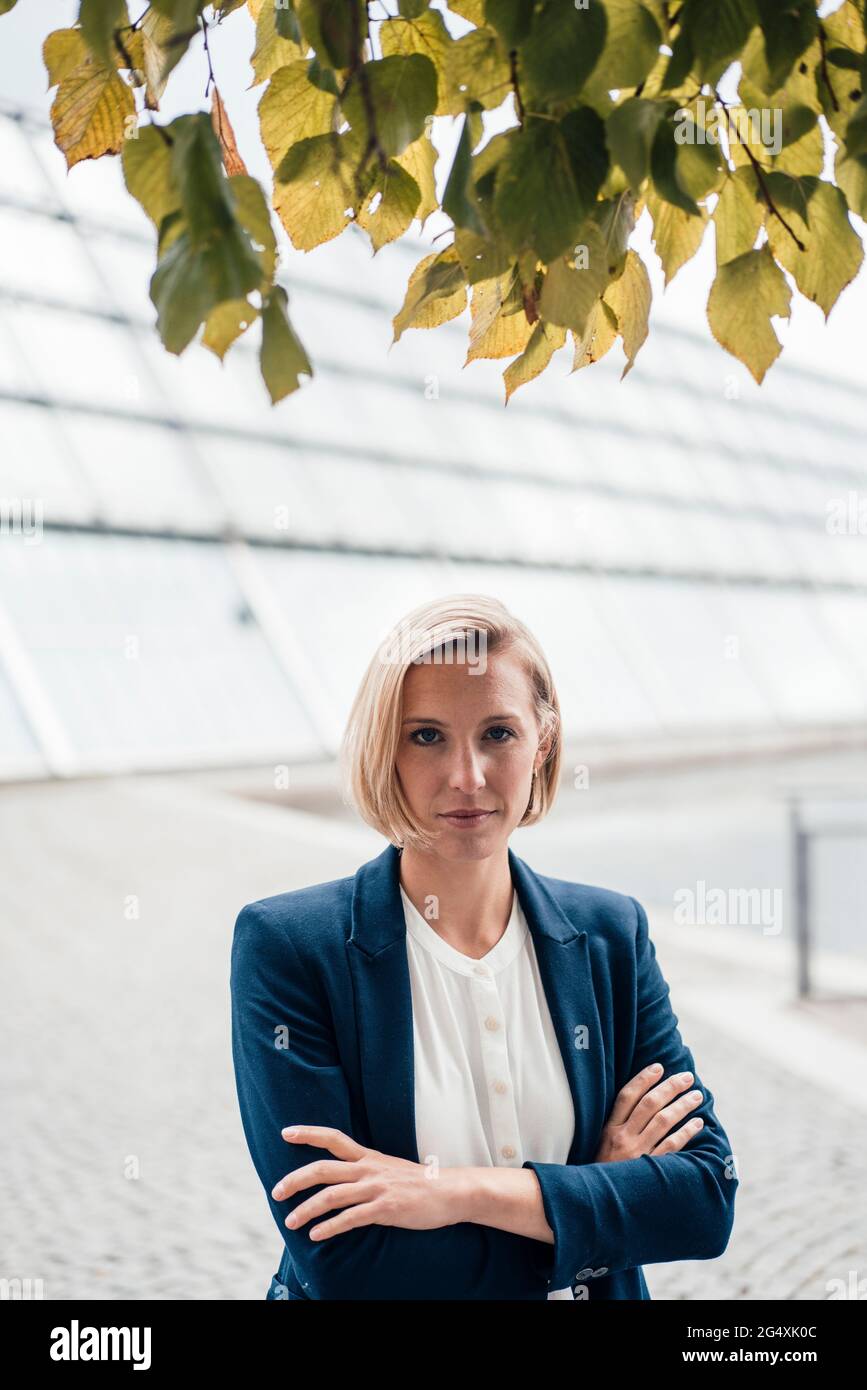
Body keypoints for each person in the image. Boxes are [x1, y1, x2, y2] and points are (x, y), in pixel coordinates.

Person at [230, 594, 738, 1300]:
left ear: (544, 741)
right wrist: (595, 1191)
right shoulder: (292, 947)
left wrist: (451, 1192)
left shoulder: (610, 934)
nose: (465, 777)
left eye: (498, 733)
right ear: (385, 748)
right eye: (426, 737)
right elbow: (346, 1262)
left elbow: (703, 1200)